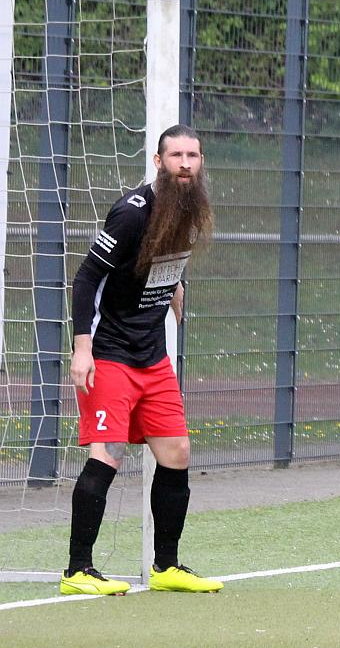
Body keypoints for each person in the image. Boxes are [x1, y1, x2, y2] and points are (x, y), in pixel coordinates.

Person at [59, 125, 222, 596]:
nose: (185, 164)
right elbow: (87, 277)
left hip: (152, 356)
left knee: (177, 453)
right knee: (108, 454)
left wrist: (174, 285)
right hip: (110, 354)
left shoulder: (191, 207)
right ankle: (77, 570)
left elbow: (159, 258)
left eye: (193, 155)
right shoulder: (131, 213)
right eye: (176, 155)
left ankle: (166, 567)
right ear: (158, 162)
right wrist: (82, 348)